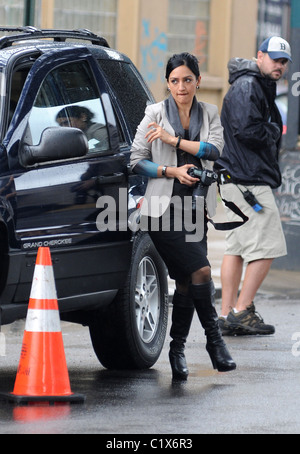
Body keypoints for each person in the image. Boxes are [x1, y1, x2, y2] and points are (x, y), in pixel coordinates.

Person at [130, 52, 236, 380]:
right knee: (201, 271)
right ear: (167, 83)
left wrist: (173, 140)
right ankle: (215, 342)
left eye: (187, 80)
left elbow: (213, 151)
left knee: (187, 281)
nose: (181, 86)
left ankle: (177, 350)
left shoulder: (209, 113)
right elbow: (135, 160)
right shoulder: (153, 114)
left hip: (196, 209)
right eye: (174, 81)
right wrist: (170, 170)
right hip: (161, 210)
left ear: (198, 81)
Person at [216, 36, 292, 336]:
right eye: (275, 59)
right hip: (248, 181)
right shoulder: (249, 86)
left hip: (237, 179)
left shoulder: (252, 84)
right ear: (259, 56)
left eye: (284, 62)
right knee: (269, 245)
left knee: (235, 248)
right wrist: (275, 130)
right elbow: (247, 130)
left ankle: (225, 314)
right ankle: (241, 310)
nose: (280, 66)